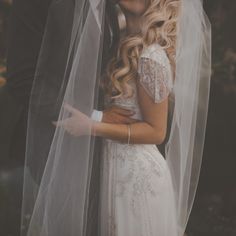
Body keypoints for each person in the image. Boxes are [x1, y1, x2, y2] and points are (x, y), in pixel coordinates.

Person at [22, 0, 211, 235]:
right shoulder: (121, 39)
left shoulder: (152, 56)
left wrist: (93, 125)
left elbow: (157, 131)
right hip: (112, 168)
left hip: (137, 178)